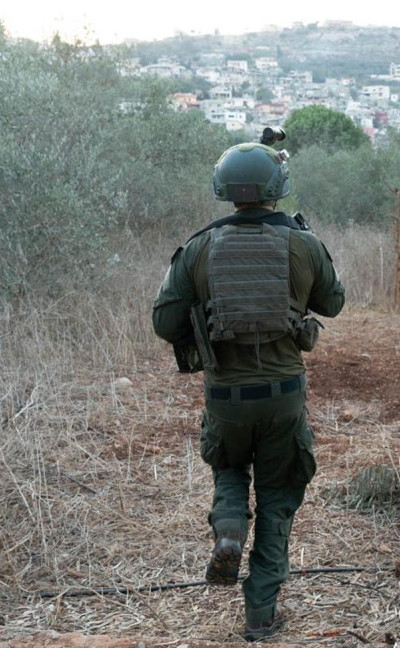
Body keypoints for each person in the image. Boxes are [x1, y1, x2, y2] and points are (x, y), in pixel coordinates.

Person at [152, 139, 345, 642]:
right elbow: (334, 302)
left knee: (230, 468)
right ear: (276, 188)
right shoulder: (302, 243)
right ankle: (260, 615)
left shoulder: (199, 246)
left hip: (225, 399)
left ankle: (231, 528)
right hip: (283, 395)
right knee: (279, 496)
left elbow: (164, 320)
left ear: (226, 190)